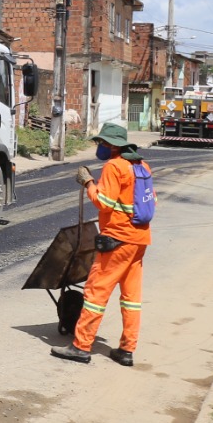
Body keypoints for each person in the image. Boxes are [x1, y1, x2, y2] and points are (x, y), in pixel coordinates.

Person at [51, 121, 152, 367]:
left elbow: (104, 203)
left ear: (112, 145)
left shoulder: (114, 166)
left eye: (101, 142)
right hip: (139, 240)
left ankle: (81, 347)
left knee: (95, 293)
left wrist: (88, 182)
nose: (99, 146)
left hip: (117, 241)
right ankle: (127, 350)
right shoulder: (142, 166)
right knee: (131, 298)